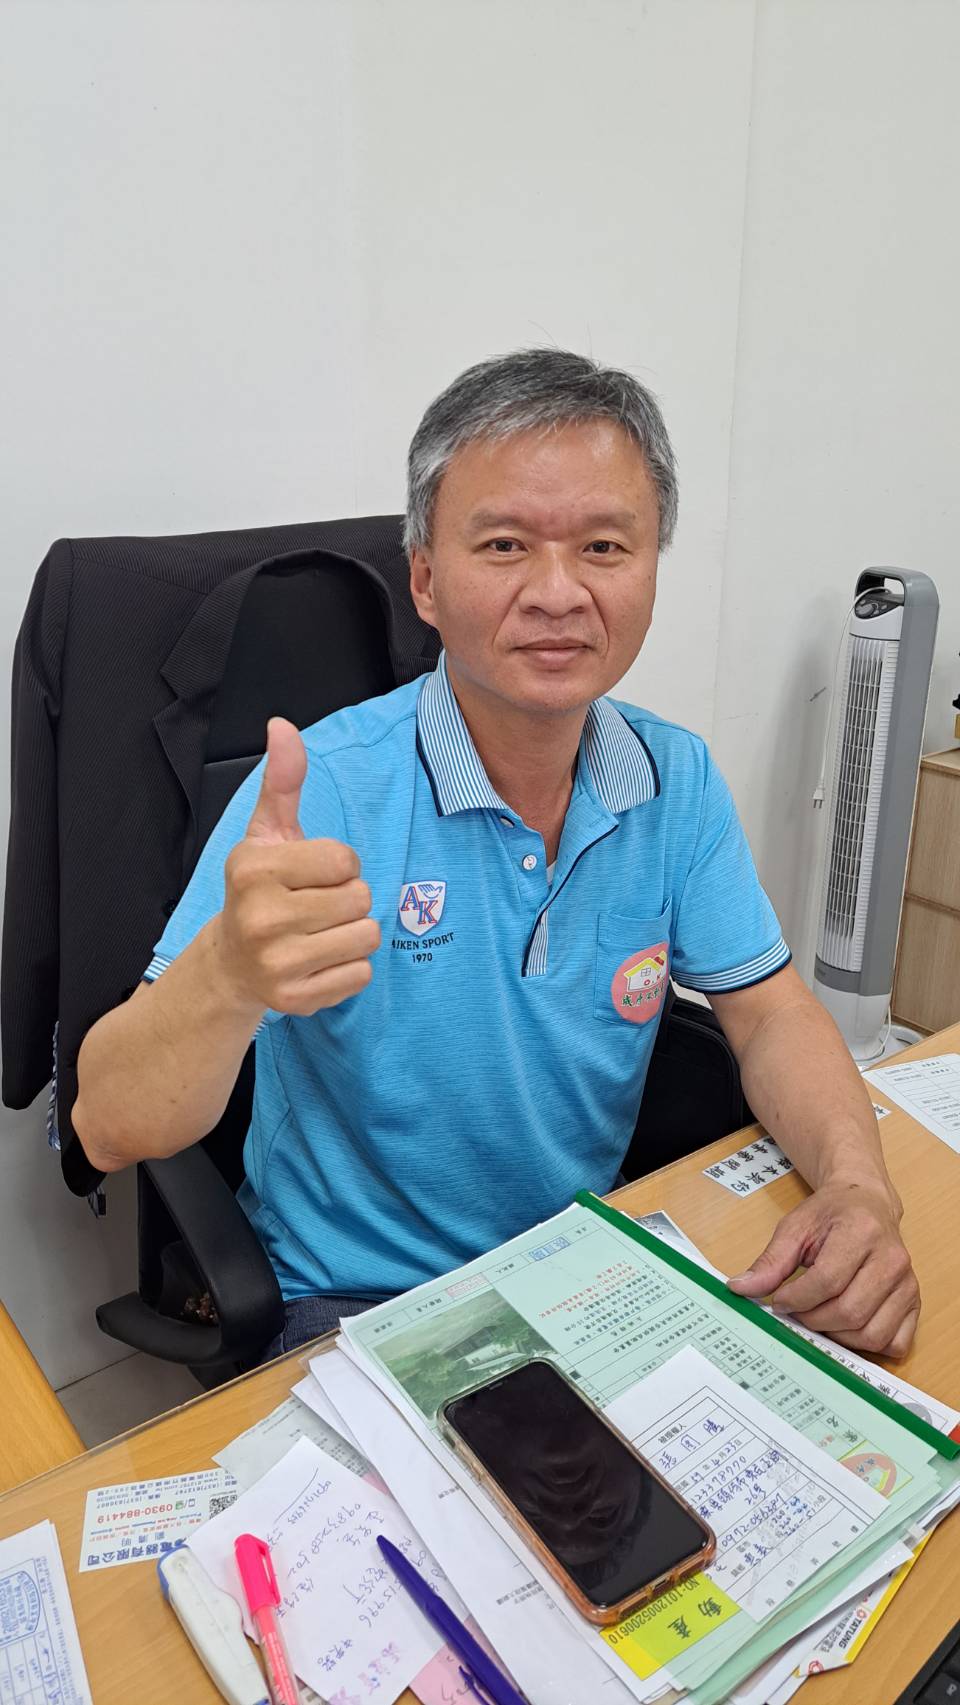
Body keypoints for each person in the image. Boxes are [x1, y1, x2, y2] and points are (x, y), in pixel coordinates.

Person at [73, 349, 920, 1362]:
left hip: (581, 1270)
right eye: (507, 545)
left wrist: (860, 1187)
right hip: (351, 1304)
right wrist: (227, 975)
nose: (559, 592)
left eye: (604, 546)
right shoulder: (326, 789)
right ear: (426, 580)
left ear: (651, 570)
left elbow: (771, 1012)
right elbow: (106, 1126)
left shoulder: (675, 778)